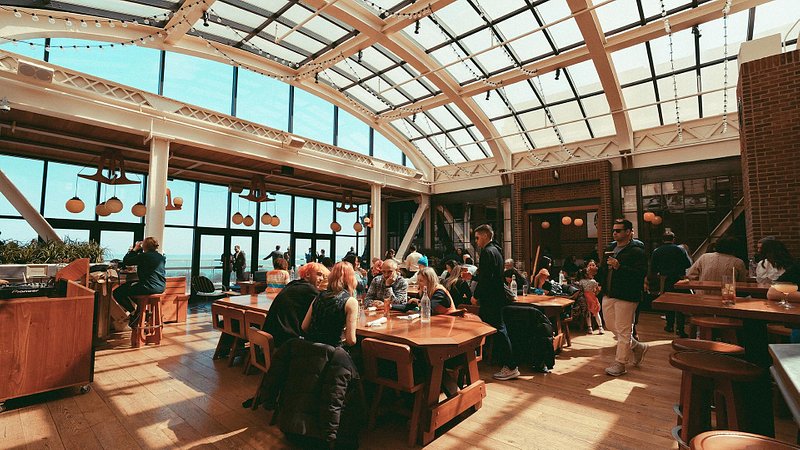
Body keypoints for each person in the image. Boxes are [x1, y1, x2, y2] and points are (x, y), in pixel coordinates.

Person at [600, 219, 649, 377]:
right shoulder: (610, 248)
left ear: (628, 232)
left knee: (623, 330)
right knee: (610, 326)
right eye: (614, 230)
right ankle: (638, 347)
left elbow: (640, 273)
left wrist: (620, 267)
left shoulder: (637, 251)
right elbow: (604, 269)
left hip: (627, 295)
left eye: (619, 230)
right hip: (609, 292)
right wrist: (596, 277)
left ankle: (620, 363)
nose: (615, 233)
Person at [471, 224, 519, 381]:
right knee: (497, 330)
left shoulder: (487, 251)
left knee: (498, 330)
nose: (476, 241)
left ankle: (510, 366)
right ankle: (501, 363)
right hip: (497, 297)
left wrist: (476, 295)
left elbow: (486, 278)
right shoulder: (497, 250)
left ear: (485, 236)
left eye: (477, 238)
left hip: (491, 299)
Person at [262, 262, 329, 348]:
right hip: (284, 343)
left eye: (323, 276)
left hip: (271, 338)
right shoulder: (309, 290)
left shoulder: (293, 284)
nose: (321, 279)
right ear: (308, 274)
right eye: (319, 275)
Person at [302, 262, 359, 347]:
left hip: (311, 351)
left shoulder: (319, 296)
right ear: (352, 279)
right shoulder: (351, 302)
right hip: (333, 353)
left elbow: (304, 327)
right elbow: (351, 340)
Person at [113, 237, 166, 326]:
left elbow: (127, 261)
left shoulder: (144, 256)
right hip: (161, 287)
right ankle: (143, 311)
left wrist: (134, 249)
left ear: (144, 246)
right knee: (131, 288)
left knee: (118, 292)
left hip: (148, 287)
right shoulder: (161, 257)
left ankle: (135, 313)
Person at [650, 231, 692, 337]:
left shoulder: (657, 251)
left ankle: (669, 325)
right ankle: (680, 328)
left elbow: (653, 268)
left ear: (662, 239)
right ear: (673, 239)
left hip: (665, 279)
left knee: (668, 303)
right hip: (679, 279)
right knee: (680, 304)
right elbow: (688, 264)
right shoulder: (680, 249)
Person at [577, 262, 604, 335]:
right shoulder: (593, 282)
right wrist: (596, 292)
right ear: (586, 274)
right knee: (596, 313)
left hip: (585, 298)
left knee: (587, 314)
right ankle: (600, 327)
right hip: (592, 298)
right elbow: (597, 291)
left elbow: (579, 289)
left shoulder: (581, 281)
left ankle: (590, 328)